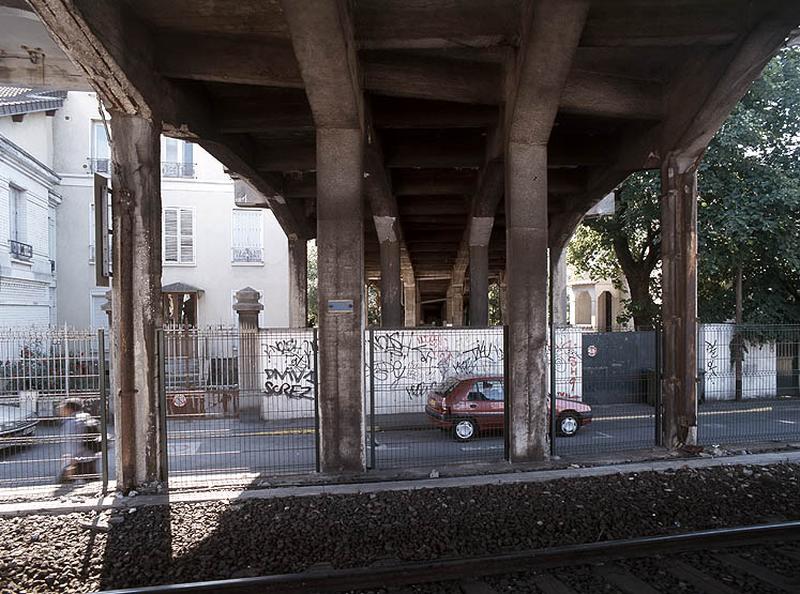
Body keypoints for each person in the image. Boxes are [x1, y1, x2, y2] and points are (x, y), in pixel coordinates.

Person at [57, 398, 97, 483]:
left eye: (62, 407)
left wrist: (71, 463)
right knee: (92, 483)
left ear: (69, 409)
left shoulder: (71, 423)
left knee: (63, 486)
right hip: (90, 458)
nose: (59, 409)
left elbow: (73, 444)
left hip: (77, 462)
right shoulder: (85, 416)